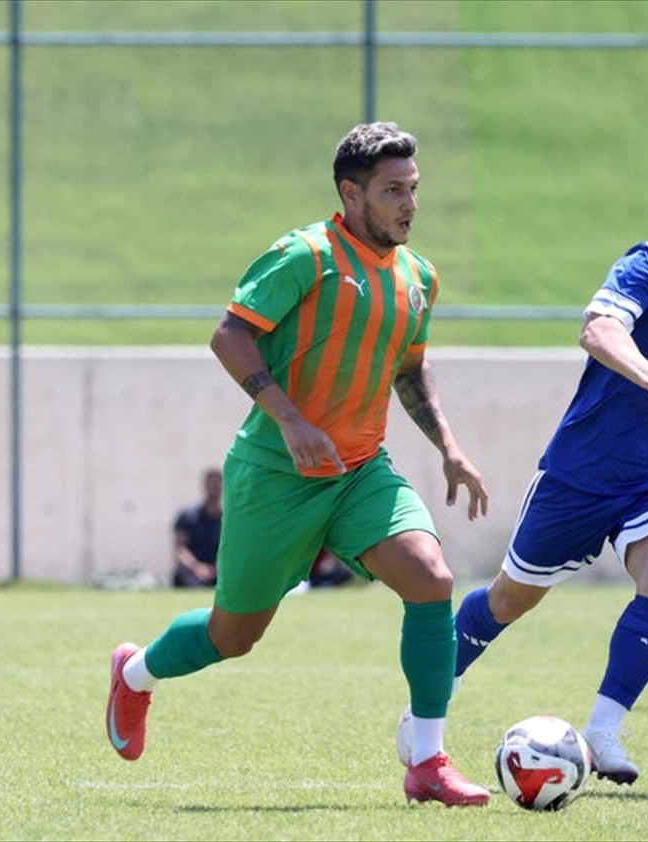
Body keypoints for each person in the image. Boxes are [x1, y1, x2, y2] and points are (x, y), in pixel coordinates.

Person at [105, 121, 493, 808]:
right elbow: (230, 336)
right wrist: (289, 420)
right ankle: (136, 675)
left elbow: (410, 369)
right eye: (392, 190)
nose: (409, 204)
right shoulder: (304, 255)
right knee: (234, 635)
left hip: (359, 472)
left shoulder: (418, 275)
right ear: (351, 193)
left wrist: (450, 449)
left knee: (432, 578)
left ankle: (427, 760)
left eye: (414, 189)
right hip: (276, 474)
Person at [399, 162, 648, 786]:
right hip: (583, 471)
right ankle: (425, 711)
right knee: (508, 600)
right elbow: (598, 329)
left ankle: (604, 729)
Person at [171, 468, 223, 588]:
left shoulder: (228, 520)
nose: (213, 488)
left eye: (216, 484)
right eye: (210, 484)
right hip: (192, 571)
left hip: (219, 572)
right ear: (204, 486)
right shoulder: (187, 516)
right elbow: (180, 549)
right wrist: (197, 567)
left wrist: (217, 569)